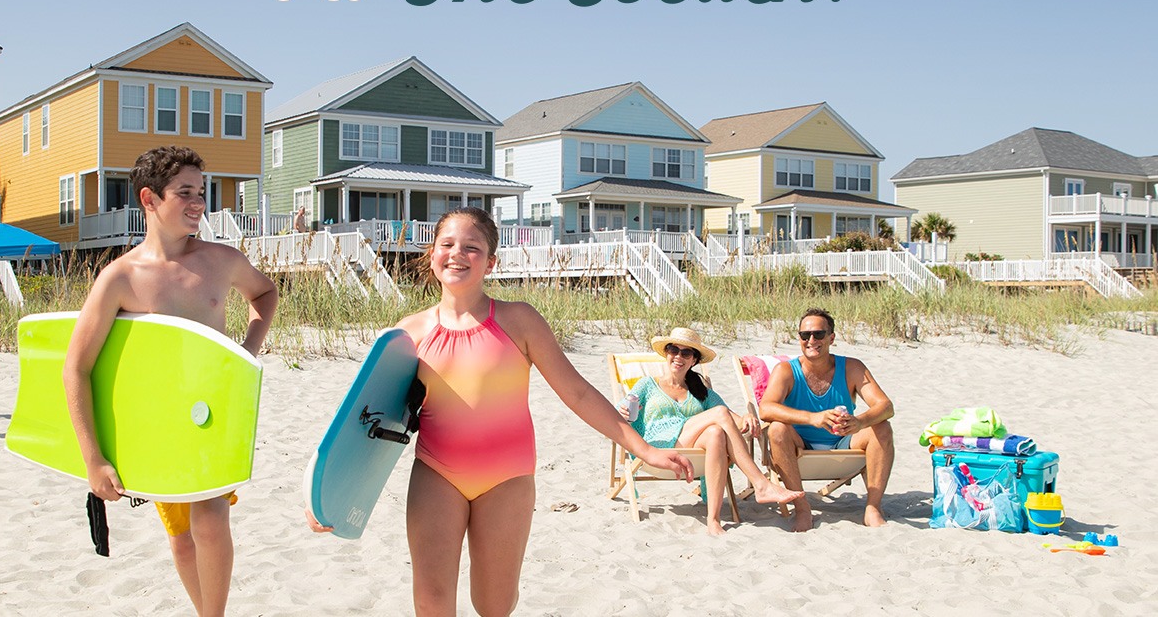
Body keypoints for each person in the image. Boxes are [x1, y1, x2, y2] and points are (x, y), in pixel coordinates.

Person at [306, 206, 693, 617]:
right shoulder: (408, 334)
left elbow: (577, 393)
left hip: (506, 479)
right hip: (437, 474)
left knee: (493, 604)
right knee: (431, 603)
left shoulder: (518, 320)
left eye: (472, 247)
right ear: (431, 254)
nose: (457, 254)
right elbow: (366, 424)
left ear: (490, 262)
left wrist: (645, 450)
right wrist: (326, 497)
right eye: (447, 244)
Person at [63, 147, 278, 617]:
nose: (198, 202)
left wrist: (248, 347)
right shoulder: (120, 278)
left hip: (213, 415)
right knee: (182, 539)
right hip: (158, 426)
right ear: (149, 198)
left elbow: (265, 291)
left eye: (202, 193)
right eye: (185, 193)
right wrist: (92, 458)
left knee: (210, 521)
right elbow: (75, 367)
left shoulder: (222, 260)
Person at [621, 327, 803, 536]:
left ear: (694, 361)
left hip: (690, 448)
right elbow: (621, 412)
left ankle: (713, 520)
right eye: (673, 350)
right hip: (659, 447)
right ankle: (761, 483)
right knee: (718, 415)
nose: (678, 356)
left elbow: (731, 417)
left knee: (716, 433)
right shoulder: (647, 385)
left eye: (686, 353)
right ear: (667, 353)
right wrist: (624, 412)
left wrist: (747, 417)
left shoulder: (700, 389)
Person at [758, 307, 895, 532]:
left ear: (831, 337)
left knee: (882, 427)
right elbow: (766, 409)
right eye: (805, 335)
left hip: (844, 440)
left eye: (818, 334)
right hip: (801, 442)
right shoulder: (787, 371)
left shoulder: (851, 367)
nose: (811, 340)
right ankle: (802, 509)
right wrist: (813, 418)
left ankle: (873, 507)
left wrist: (859, 422)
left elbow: (885, 406)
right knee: (776, 430)